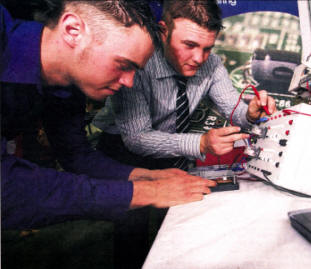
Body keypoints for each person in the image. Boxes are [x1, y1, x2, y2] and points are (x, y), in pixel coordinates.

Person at [1, 0, 216, 231]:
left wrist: (146, 176)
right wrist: (146, 192)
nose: (130, 82)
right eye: (124, 65)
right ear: (73, 30)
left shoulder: (71, 79)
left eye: (136, 70)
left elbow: (76, 156)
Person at [95, 0, 277, 170]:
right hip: (120, 157)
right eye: (189, 45)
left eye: (207, 48)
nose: (199, 58)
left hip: (174, 158)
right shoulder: (138, 64)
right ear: (163, 32)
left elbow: (233, 108)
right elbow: (137, 138)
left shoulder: (211, 64)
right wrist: (201, 143)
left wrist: (249, 115)